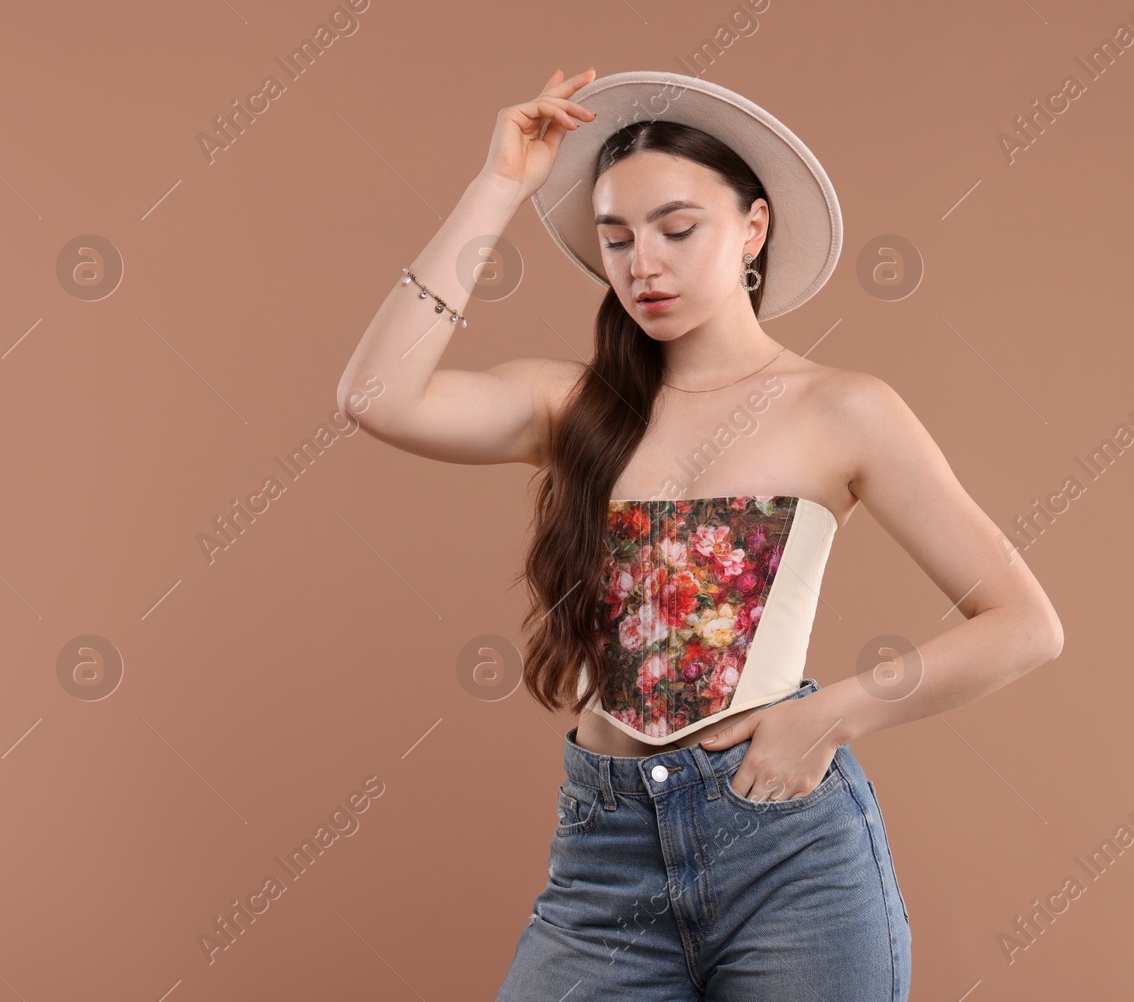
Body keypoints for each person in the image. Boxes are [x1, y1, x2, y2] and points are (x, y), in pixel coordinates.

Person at [336, 67, 1065, 1001]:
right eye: (617, 238)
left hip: (790, 858)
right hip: (605, 854)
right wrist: (500, 185)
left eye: (678, 229)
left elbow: (1023, 622)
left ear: (753, 227)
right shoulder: (576, 406)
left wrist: (828, 714)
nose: (644, 263)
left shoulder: (843, 408)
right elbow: (375, 395)